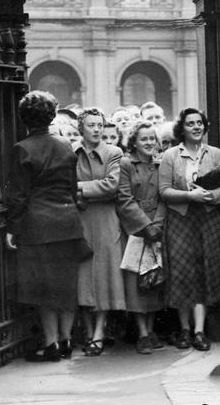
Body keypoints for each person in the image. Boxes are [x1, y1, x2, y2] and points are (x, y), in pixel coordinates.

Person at [5, 91, 87, 362]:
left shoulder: (22, 148)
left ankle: (51, 344)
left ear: (24, 117)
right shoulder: (65, 145)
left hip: (38, 226)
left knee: (44, 290)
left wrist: (12, 229)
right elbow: (73, 188)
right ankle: (65, 341)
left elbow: (18, 196)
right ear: (52, 115)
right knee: (65, 286)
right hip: (68, 223)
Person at [158, 108, 220, 351]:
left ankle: (200, 331)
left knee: (203, 273)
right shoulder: (171, 155)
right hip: (181, 219)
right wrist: (189, 196)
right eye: (190, 123)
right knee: (182, 273)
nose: (196, 127)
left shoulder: (215, 154)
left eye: (199, 123)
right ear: (183, 128)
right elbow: (164, 191)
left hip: (208, 219)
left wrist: (210, 196)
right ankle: (184, 330)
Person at [74, 108, 125, 356]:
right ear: (81, 127)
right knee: (83, 275)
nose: (96, 129)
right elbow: (64, 187)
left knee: (104, 275)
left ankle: (99, 332)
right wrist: (89, 191)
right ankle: (87, 329)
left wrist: (80, 187)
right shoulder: (71, 152)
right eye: (91, 125)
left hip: (106, 220)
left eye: (99, 125)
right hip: (80, 219)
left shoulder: (113, 152)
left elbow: (112, 186)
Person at [116, 121, 166, 354]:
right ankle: (142, 334)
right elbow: (124, 199)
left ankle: (152, 329)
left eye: (151, 139)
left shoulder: (161, 163)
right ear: (134, 142)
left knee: (155, 278)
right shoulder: (126, 164)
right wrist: (145, 226)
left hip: (158, 227)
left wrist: (157, 225)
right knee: (136, 282)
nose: (148, 143)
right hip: (135, 229)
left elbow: (165, 196)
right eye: (143, 139)